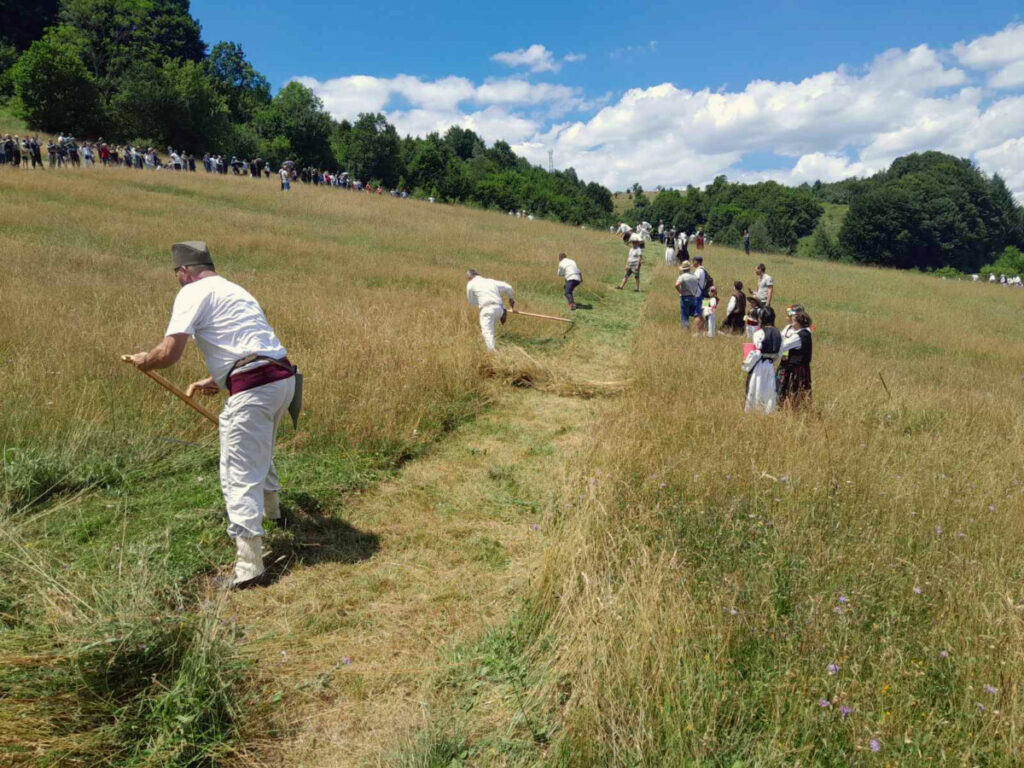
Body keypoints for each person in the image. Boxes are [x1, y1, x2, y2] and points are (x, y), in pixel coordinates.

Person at [126, 242, 297, 589]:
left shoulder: (192, 292)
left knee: (238, 472)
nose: (177, 280)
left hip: (254, 388)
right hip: (282, 380)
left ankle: (249, 568)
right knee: (259, 449)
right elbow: (249, 345)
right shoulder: (235, 290)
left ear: (184, 271)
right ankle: (275, 514)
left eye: (176, 274)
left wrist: (146, 361)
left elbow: (169, 353)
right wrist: (218, 380)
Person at [742, 306, 781, 414]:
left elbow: (756, 351)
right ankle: (767, 411)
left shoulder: (759, 333)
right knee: (769, 389)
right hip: (770, 365)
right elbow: (779, 353)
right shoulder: (778, 333)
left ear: (761, 318)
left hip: (759, 364)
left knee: (756, 386)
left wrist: (747, 364)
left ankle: (753, 410)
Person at [466, 269, 515, 351]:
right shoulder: (490, 281)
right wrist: (511, 298)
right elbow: (508, 287)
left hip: (487, 309)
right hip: (499, 309)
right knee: (489, 331)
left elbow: (471, 302)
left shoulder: (470, 284)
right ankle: (486, 347)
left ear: (469, 277)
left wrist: (481, 301)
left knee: (487, 332)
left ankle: (492, 353)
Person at [778, 307, 813, 407]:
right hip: (803, 368)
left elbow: (783, 346)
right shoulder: (806, 333)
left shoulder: (798, 336)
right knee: (801, 391)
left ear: (798, 323)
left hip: (795, 369)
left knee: (792, 390)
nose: (791, 323)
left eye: (793, 321)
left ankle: (790, 409)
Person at [675, 261, 701, 329]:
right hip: (693, 297)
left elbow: (676, 284)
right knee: (695, 313)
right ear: (689, 268)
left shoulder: (682, 277)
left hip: (685, 297)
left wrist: (680, 291)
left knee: (684, 315)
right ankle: (698, 327)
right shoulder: (694, 276)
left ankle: (685, 329)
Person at [693, 254, 710, 332]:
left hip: (698, 295)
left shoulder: (698, 271)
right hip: (705, 295)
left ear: (697, 262)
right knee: (704, 313)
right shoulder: (704, 270)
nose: (693, 263)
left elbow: (694, 281)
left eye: (693, 261)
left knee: (698, 313)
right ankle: (704, 329)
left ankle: (697, 331)